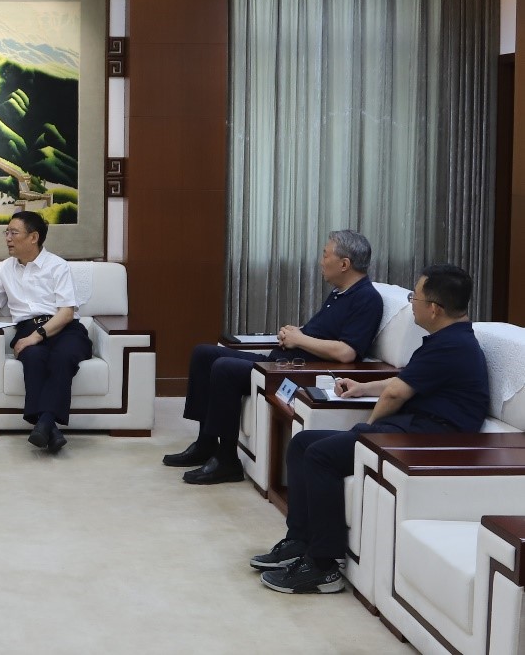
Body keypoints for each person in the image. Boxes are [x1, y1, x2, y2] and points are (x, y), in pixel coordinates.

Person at [251, 264, 488, 594]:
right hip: (415, 428)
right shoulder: (449, 340)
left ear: (434, 308)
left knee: (320, 456)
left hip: (430, 440)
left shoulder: (451, 346)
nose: (412, 303)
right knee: (303, 443)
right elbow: (405, 380)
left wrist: (367, 430)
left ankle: (323, 566)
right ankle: (300, 541)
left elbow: (396, 394)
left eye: (415, 297)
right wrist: (362, 387)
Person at [164, 230, 384, 484]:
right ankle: (205, 443)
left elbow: (347, 352)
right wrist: (294, 333)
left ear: (344, 264)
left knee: (224, 368)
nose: (321, 262)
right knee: (204, 354)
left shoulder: (367, 299)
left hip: (298, 372)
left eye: (325, 255)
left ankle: (227, 460)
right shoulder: (340, 293)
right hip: (282, 362)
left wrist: (299, 340)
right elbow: (325, 333)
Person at [0, 211, 92, 453]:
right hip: (27, 327)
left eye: (14, 233)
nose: (8, 238)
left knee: (63, 357)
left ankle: (44, 423)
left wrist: (36, 337)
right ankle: (49, 428)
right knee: (34, 357)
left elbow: (66, 313)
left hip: (64, 328)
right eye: (6, 232)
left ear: (33, 237)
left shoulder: (57, 266)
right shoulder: (6, 268)